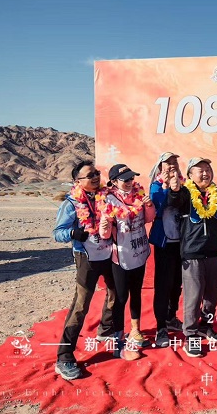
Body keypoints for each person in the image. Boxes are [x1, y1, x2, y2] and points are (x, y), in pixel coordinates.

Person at [167, 157, 217, 358]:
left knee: (212, 295)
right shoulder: (185, 192)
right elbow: (173, 202)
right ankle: (191, 334)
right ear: (190, 175)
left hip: (214, 253)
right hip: (191, 254)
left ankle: (206, 325)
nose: (205, 173)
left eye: (208, 169)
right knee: (193, 297)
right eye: (200, 170)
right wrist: (174, 191)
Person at [52, 161, 119, 380]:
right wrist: (73, 234)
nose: (95, 177)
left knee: (115, 293)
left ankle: (106, 330)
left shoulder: (106, 197)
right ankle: (64, 356)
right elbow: (57, 233)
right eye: (90, 175)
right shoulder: (71, 203)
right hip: (86, 258)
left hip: (108, 253)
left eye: (96, 173)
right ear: (77, 181)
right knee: (81, 305)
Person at [103, 163, 155, 357]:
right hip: (121, 256)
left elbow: (148, 219)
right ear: (114, 182)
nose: (129, 182)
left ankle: (135, 330)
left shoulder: (139, 195)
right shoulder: (109, 200)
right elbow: (104, 234)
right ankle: (118, 340)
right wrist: (105, 225)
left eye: (131, 178)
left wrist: (149, 206)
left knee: (136, 293)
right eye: (125, 180)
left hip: (139, 251)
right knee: (121, 297)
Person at [148, 152, 185, 348]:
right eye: (167, 163)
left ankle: (171, 317)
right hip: (164, 242)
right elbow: (158, 207)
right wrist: (166, 187)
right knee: (163, 285)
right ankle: (161, 327)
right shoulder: (155, 185)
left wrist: (179, 188)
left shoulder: (185, 184)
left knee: (177, 283)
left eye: (174, 162)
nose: (172, 165)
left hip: (182, 241)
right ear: (160, 166)